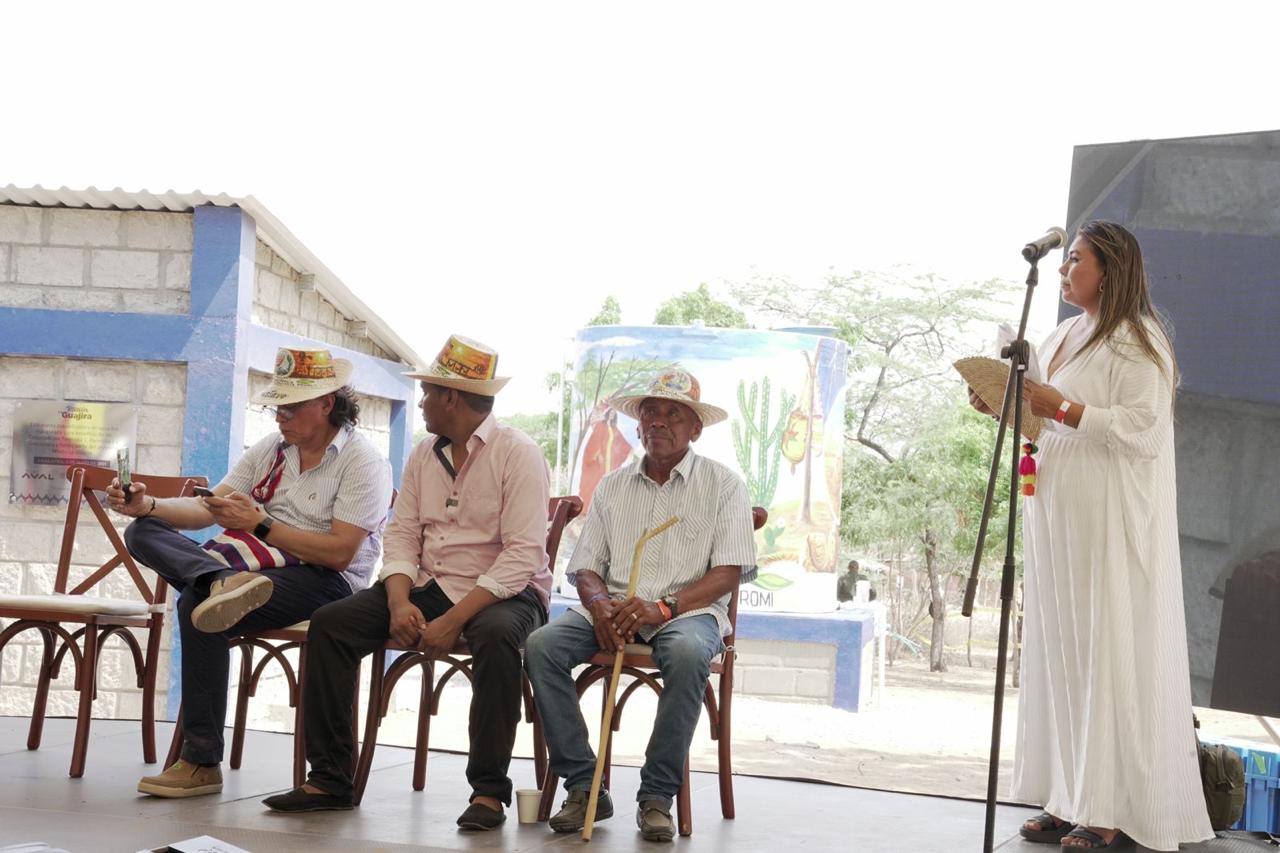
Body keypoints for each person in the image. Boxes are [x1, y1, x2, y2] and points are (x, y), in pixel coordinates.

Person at [970, 221, 1212, 850]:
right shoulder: (1060, 334)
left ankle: (1106, 809)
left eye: (1074, 260)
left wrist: (1063, 408)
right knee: (1059, 650)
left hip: (1108, 518)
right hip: (1056, 511)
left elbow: (1145, 430)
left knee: (1103, 653)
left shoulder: (1139, 340)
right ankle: (1067, 794)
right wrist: (1004, 402)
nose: (1062, 269)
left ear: (1110, 269)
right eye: (1064, 259)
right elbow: (1040, 419)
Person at [263, 335, 551, 832]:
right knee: (332, 624)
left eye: (428, 394)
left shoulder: (519, 453)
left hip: (504, 591)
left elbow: (522, 555)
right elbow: (401, 534)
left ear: (452, 399)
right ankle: (330, 779)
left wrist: (453, 620)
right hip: (427, 584)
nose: (421, 403)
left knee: (498, 636)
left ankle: (487, 792)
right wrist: (398, 603)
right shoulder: (424, 454)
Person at [110, 347, 393, 798]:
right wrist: (148, 505)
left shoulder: (363, 462)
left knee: (195, 600)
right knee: (144, 532)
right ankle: (218, 579)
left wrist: (260, 524)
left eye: (292, 407)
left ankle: (201, 762)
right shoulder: (271, 449)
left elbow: (340, 554)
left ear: (327, 403)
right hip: (254, 568)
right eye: (276, 406)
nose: (281, 417)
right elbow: (208, 509)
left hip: (326, 581)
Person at [525, 369, 757, 843]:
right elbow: (585, 566)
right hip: (611, 609)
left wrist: (665, 607)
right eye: (651, 411)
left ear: (696, 429)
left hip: (686, 614)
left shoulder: (724, 485)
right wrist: (600, 604)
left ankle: (656, 796)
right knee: (542, 645)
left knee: (690, 653)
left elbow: (729, 572)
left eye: (675, 413)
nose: (659, 421)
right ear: (637, 424)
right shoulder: (612, 485)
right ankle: (585, 787)